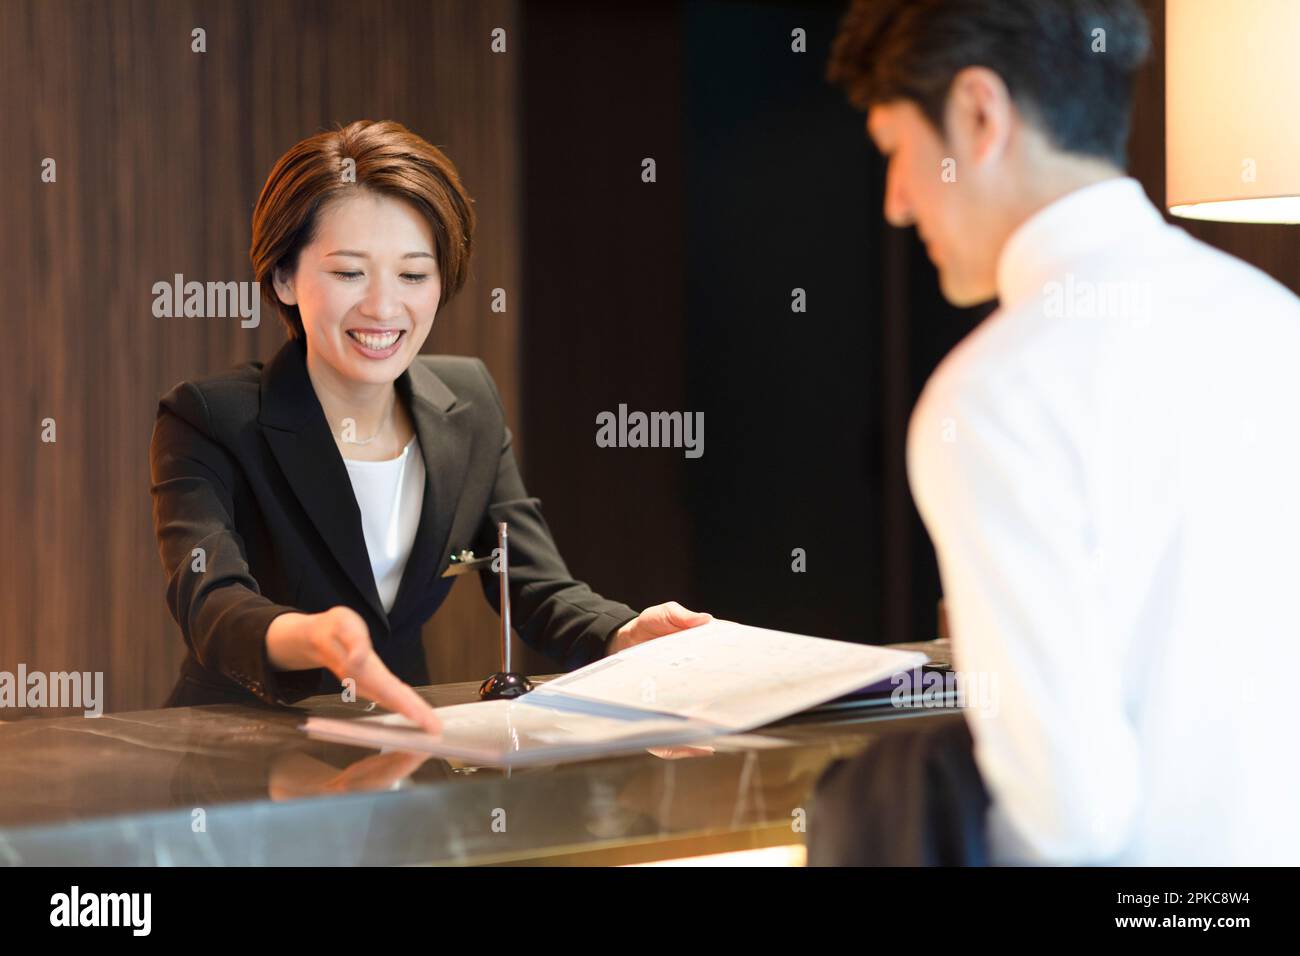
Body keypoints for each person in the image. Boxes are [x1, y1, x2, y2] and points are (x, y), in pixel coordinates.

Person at [810, 0, 1300, 864]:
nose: (894, 203)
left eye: (895, 152)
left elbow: (1070, 817)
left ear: (979, 113)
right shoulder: (1276, 322)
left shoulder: (993, 396)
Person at [150, 120, 710, 733]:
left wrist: (623, 632)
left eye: (413, 275)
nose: (385, 308)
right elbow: (211, 603)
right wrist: (312, 636)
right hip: (239, 751)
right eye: (348, 273)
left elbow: (534, 585)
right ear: (284, 276)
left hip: (400, 740)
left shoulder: (468, 400)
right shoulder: (209, 417)